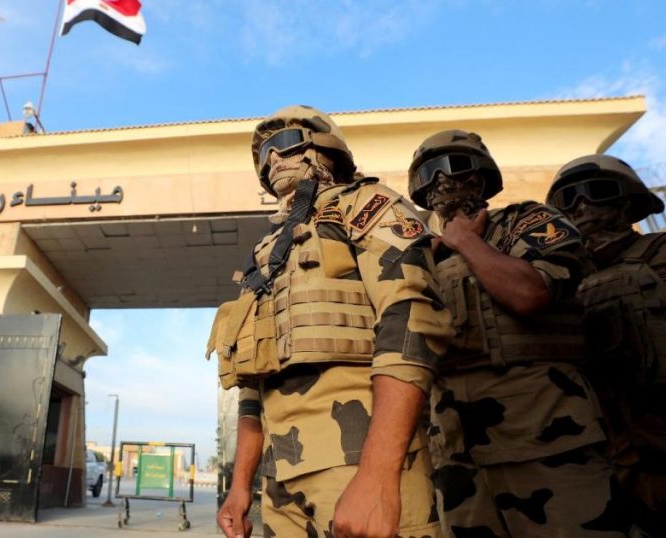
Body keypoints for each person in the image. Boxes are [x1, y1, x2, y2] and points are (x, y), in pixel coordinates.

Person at [209, 105, 453, 537]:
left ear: (323, 147)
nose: (272, 158)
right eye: (263, 153)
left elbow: (412, 321)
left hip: (358, 461)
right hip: (281, 480)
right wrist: (241, 485)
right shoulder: (265, 254)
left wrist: (378, 476)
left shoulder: (367, 206)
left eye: (284, 144)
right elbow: (251, 383)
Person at [409, 130, 626, 536]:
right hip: (456, 453)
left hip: (547, 436)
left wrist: (467, 242)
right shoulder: (421, 256)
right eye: (427, 173)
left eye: (453, 166)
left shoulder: (526, 222)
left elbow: (529, 295)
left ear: (480, 175)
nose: (440, 180)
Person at [547, 154, 666, 536]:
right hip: (612, 453)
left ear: (628, 202)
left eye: (597, 191)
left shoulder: (658, 252)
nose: (582, 205)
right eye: (568, 199)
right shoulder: (556, 280)